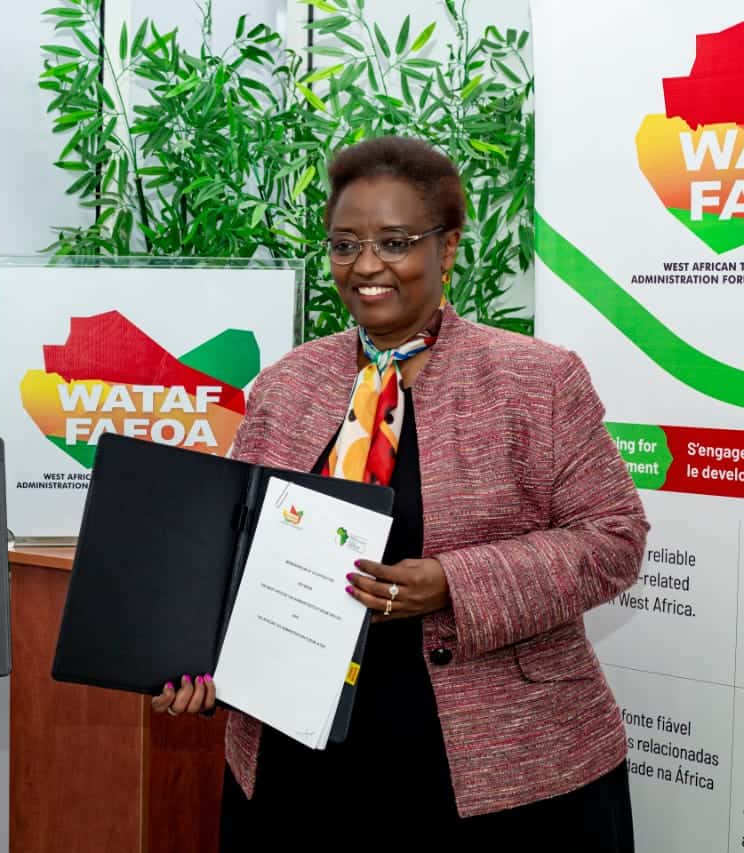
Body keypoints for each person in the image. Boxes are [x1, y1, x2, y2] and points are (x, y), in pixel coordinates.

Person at [152, 135, 648, 851]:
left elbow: (614, 539)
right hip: (301, 758)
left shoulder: (536, 380)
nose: (365, 266)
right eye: (345, 245)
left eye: (395, 242)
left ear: (447, 250)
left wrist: (452, 582)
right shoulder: (289, 383)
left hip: (500, 767)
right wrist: (198, 663)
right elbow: (233, 551)